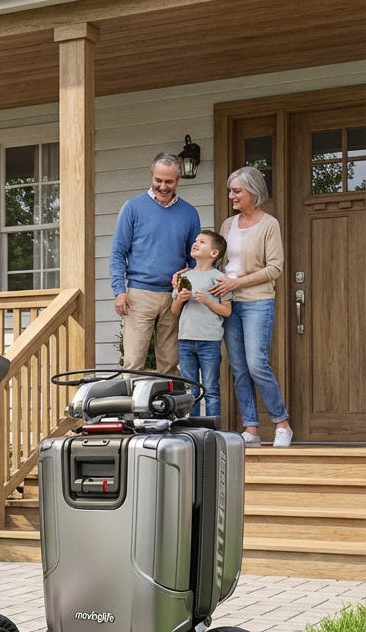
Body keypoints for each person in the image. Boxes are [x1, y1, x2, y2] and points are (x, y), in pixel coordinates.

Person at [208, 166, 293, 447]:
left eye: (237, 191)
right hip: (229, 304)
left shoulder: (270, 224)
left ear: (253, 192)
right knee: (239, 367)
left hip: (257, 302)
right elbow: (217, 263)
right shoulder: (227, 225)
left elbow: (275, 268)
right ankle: (251, 429)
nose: (231, 196)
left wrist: (237, 283)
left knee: (257, 364)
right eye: (230, 190)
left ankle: (282, 423)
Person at [110, 152, 202, 374]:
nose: (163, 186)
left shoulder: (189, 213)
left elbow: (194, 257)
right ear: (151, 175)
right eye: (158, 180)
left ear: (178, 180)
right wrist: (119, 291)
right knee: (133, 363)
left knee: (170, 364)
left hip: (174, 296)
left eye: (169, 181)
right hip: (139, 295)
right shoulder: (133, 207)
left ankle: (167, 408)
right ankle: (131, 409)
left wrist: (188, 273)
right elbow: (117, 252)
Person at [170, 230, 232, 417]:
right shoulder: (184, 276)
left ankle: (212, 431)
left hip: (209, 342)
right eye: (196, 240)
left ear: (214, 253)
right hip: (186, 340)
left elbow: (227, 310)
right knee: (191, 391)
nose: (195, 243)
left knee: (211, 389)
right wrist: (180, 299)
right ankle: (194, 430)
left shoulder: (219, 278)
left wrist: (207, 301)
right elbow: (174, 311)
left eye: (202, 242)